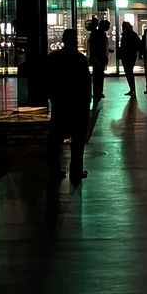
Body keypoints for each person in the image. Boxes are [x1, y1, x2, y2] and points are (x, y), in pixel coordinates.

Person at [44, 28, 91, 184]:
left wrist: (53, 98)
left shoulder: (52, 58)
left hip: (60, 104)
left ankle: (54, 171)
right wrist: (86, 104)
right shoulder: (80, 59)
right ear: (75, 41)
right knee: (77, 142)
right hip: (77, 106)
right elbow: (86, 86)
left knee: (54, 141)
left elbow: (48, 82)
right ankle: (76, 172)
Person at [117, 20, 141, 96]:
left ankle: (132, 89)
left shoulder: (126, 35)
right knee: (129, 72)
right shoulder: (132, 35)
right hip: (130, 56)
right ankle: (132, 89)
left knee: (128, 73)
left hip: (128, 56)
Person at [87, 17, 109, 100]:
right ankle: (98, 92)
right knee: (98, 76)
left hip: (98, 59)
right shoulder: (100, 34)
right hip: (99, 59)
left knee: (98, 76)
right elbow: (98, 48)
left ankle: (98, 92)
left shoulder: (97, 34)